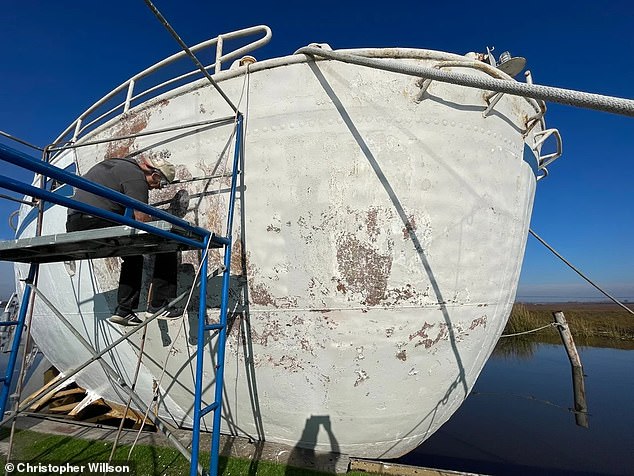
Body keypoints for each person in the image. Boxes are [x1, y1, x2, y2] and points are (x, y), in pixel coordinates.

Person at [66, 155, 182, 326]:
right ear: (156, 175)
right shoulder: (135, 176)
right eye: (162, 183)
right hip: (96, 221)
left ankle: (124, 311)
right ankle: (159, 304)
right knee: (168, 243)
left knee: (133, 255)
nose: (157, 189)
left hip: (75, 223)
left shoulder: (116, 165)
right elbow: (142, 219)